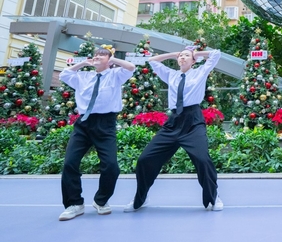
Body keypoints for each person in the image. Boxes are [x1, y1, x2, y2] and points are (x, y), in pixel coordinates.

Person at [124, 47, 223, 212]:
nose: (183, 58)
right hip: (174, 121)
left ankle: (213, 196)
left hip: (193, 121)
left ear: (193, 61)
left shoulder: (200, 72)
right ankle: (141, 197)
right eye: (181, 56)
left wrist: (196, 54)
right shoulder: (171, 74)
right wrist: (173, 54)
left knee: (203, 160)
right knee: (145, 159)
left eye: (186, 56)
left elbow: (216, 54)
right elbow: (152, 61)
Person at [58, 45, 135, 221]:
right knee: (70, 163)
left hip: (105, 124)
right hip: (83, 124)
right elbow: (64, 75)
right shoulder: (83, 76)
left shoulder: (115, 75)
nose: (97, 57)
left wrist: (112, 59)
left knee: (111, 166)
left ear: (109, 60)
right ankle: (74, 204)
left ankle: (101, 200)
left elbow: (131, 67)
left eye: (102, 55)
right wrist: (83, 64)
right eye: (96, 55)